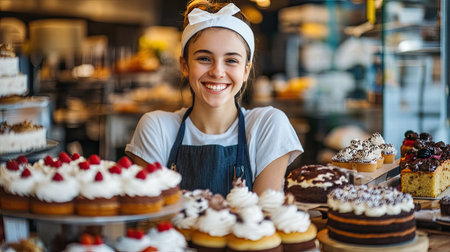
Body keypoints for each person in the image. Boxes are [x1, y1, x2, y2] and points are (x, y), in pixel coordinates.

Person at [125, 0, 303, 196]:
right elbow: (153, 216)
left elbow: (264, 218)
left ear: (246, 71)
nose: (218, 72)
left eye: (231, 60)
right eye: (204, 58)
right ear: (184, 65)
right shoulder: (157, 128)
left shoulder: (267, 125)